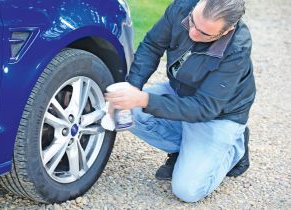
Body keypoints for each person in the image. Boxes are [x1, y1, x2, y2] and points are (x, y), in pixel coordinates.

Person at [105, 0, 256, 203]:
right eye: (192, 22)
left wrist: (143, 99)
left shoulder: (236, 50)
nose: (193, 33)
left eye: (204, 34)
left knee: (188, 190)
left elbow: (204, 108)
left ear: (227, 30)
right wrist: (132, 88)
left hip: (218, 114)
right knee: (126, 112)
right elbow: (152, 45)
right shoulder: (183, 8)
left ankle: (234, 148)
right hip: (179, 92)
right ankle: (186, 151)